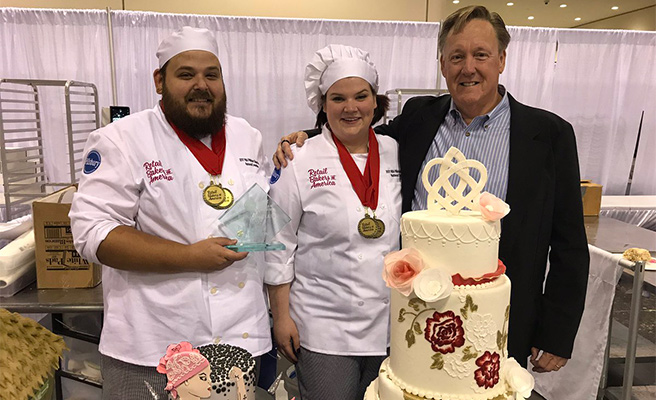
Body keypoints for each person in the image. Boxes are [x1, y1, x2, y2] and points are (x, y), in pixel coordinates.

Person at [273, 5, 589, 374]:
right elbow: (360, 137)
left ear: (502, 59)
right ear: (442, 64)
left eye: (480, 55)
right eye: (456, 56)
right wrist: (307, 139)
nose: (467, 67)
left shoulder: (548, 134)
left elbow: (568, 243)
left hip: (500, 319)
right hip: (416, 317)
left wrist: (557, 332)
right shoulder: (419, 118)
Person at [70, 26, 281, 399]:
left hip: (242, 337)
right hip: (154, 345)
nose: (201, 84)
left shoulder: (248, 136)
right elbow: (93, 233)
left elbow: (262, 208)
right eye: (186, 74)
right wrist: (189, 256)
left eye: (211, 74)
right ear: (159, 81)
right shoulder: (123, 139)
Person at [265, 44, 401, 400]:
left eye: (361, 96)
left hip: (393, 325)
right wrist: (281, 317)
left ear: (376, 101)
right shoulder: (297, 158)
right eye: (338, 98)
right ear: (323, 105)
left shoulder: (397, 150)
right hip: (323, 326)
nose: (350, 107)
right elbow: (278, 244)